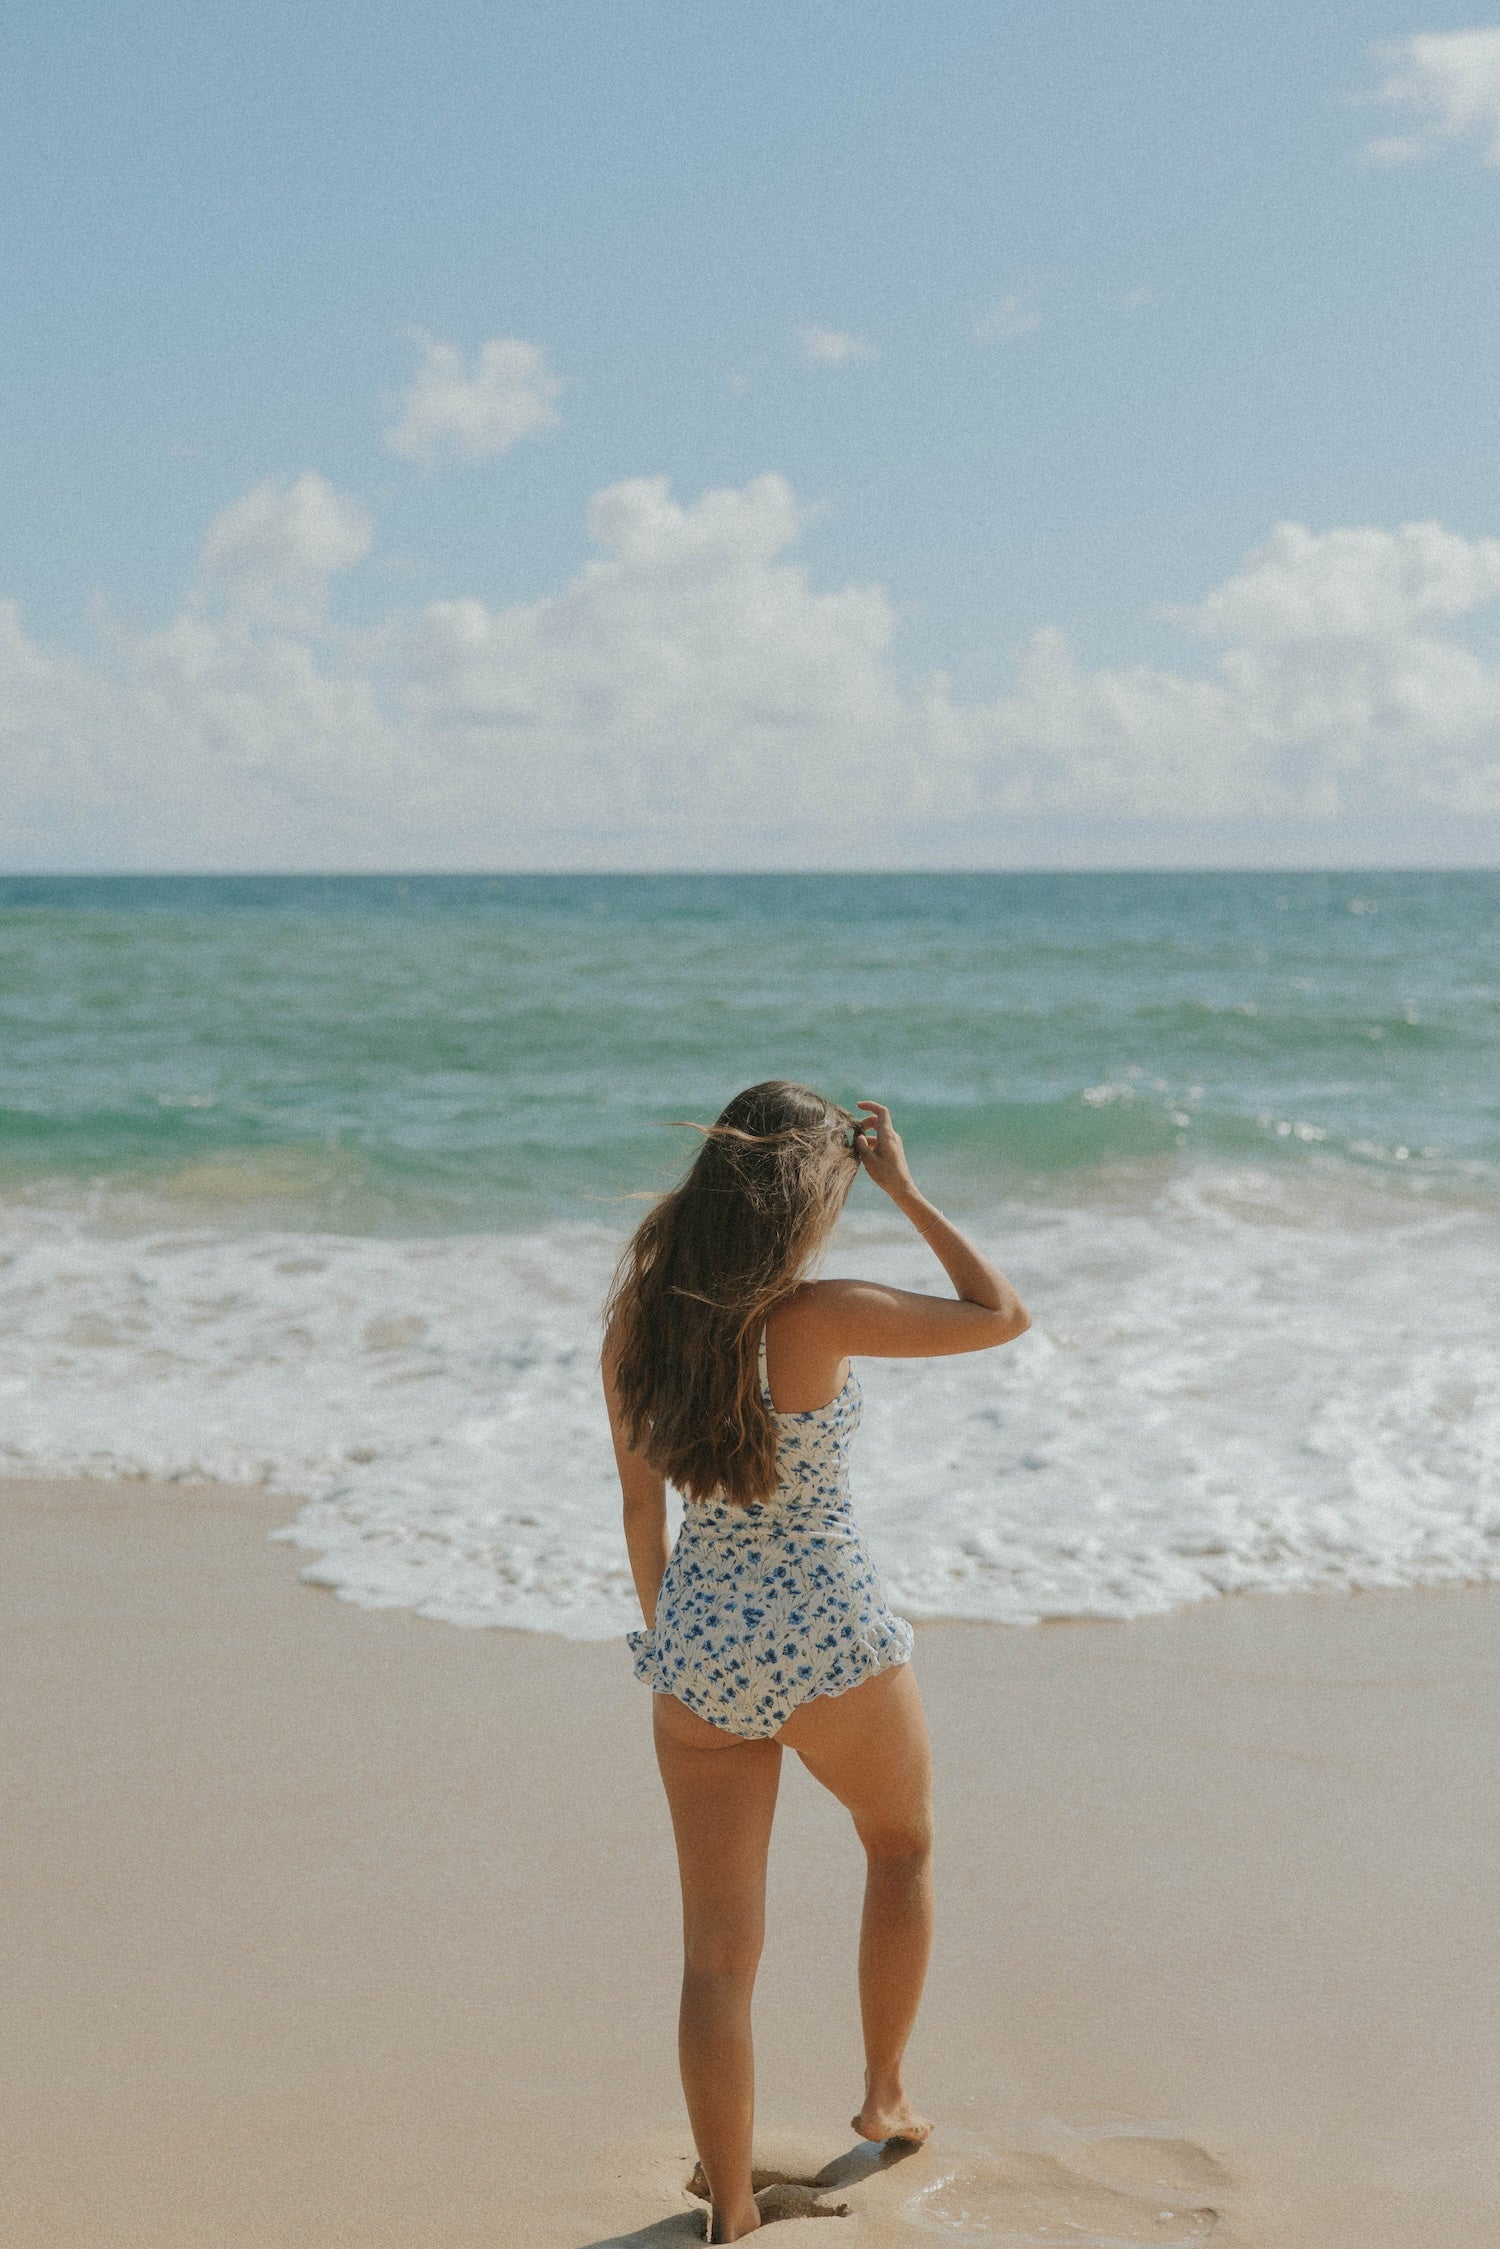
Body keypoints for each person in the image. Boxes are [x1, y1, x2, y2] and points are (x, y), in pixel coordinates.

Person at [602, 1082, 1030, 2242]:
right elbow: (1001, 1312)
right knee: (900, 1844)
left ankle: (732, 2208)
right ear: (806, 1200)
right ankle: (885, 2091)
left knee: (716, 1954)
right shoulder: (823, 1313)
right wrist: (908, 1185)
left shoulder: (641, 1321)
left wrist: (676, 1638)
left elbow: (642, 1512)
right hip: (831, 1641)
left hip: (696, 1651)